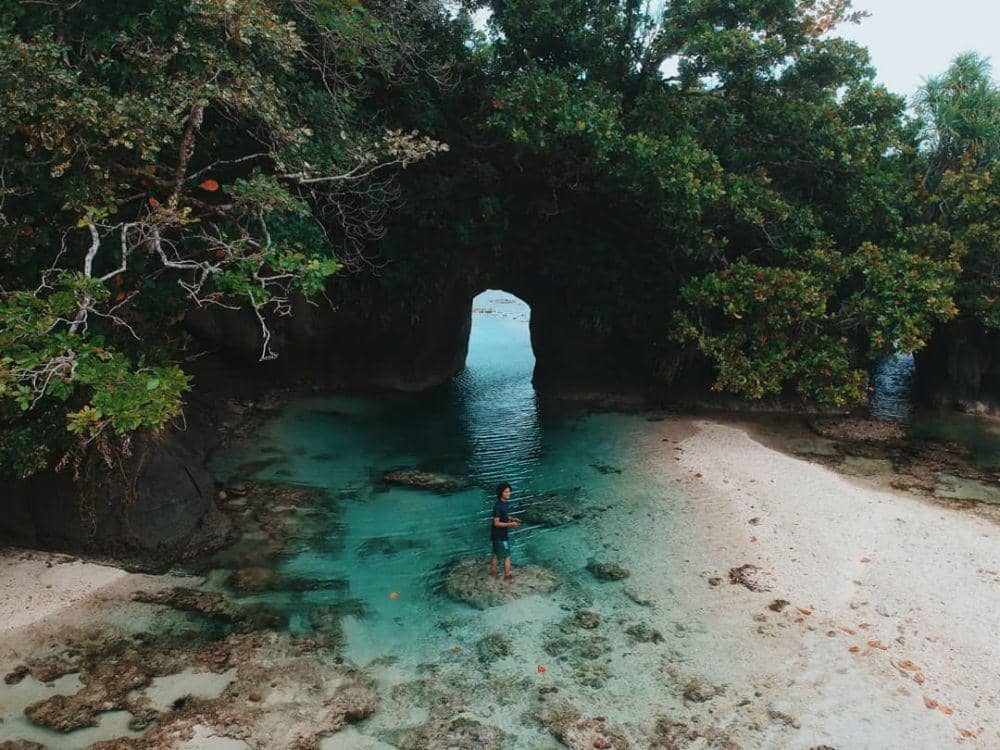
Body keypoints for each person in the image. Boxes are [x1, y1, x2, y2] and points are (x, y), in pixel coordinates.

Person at [489, 482, 520, 580]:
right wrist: (511, 524)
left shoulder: (504, 504)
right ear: (501, 493)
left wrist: (512, 518)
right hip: (500, 536)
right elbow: (496, 523)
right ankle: (507, 576)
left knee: (496, 555)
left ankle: (493, 574)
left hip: (496, 535)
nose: (509, 493)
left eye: (509, 491)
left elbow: (504, 516)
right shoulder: (498, 506)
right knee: (507, 555)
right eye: (506, 492)